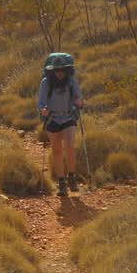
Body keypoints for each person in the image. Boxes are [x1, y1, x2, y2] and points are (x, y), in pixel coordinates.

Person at [38, 60, 84, 197]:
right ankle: (61, 182)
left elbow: (79, 97)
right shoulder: (46, 82)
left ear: (66, 70)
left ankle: (71, 177)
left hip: (68, 117)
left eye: (62, 70)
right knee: (57, 151)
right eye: (56, 70)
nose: (59, 73)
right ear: (52, 71)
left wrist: (79, 102)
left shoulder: (71, 81)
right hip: (52, 119)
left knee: (70, 147)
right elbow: (41, 101)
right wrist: (43, 109)